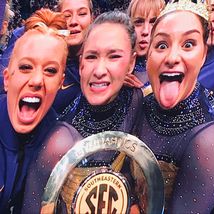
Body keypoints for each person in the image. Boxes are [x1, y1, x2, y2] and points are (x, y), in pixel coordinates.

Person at [21, 10, 143, 213]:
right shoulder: (59, 141)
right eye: (92, 57)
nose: (99, 70)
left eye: (113, 56)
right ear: (81, 65)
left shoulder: (139, 102)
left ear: (131, 63)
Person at [137, 0, 214, 213]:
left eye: (188, 44)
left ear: (203, 56)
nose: (172, 57)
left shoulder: (212, 142)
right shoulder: (138, 102)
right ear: (149, 55)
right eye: (162, 45)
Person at [0, 8, 79, 212]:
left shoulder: (63, 143)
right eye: (26, 67)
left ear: (61, 82)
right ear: (7, 78)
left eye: (50, 71)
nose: (36, 81)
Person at [0, 0, 93, 114]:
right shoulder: (29, 39)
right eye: (67, 15)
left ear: (92, 18)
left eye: (82, 14)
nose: (74, 21)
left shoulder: (98, 65)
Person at [127, 0, 165, 92]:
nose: (145, 31)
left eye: (153, 22)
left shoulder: (173, 67)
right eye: (139, 22)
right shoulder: (115, 65)